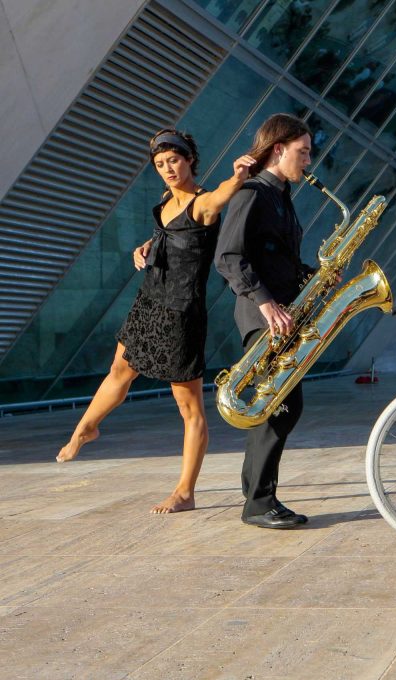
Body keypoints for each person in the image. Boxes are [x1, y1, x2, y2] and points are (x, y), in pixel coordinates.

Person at [55, 129, 255, 514]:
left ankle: (185, 492)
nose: (167, 169)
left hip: (181, 313)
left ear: (190, 159)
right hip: (148, 302)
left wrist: (238, 177)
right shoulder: (166, 199)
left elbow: (221, 195)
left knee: (189, 407)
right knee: (120, 369)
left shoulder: (201, 204)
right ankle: (86, 428)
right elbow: (166, 233)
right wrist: (146, 246)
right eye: (160, 164)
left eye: (174, 160)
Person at [215, 113, 315, 529]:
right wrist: (266, 302)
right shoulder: (252, 194)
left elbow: (277, 259)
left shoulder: (281, 197)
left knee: (279, 407)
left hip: (282, 315)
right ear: (278, 149)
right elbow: (228, 257)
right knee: (278, 408)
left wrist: (314, 277)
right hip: (265, 318)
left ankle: (255, 493)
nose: (308, 161)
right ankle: (258, 503)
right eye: (302, 152)